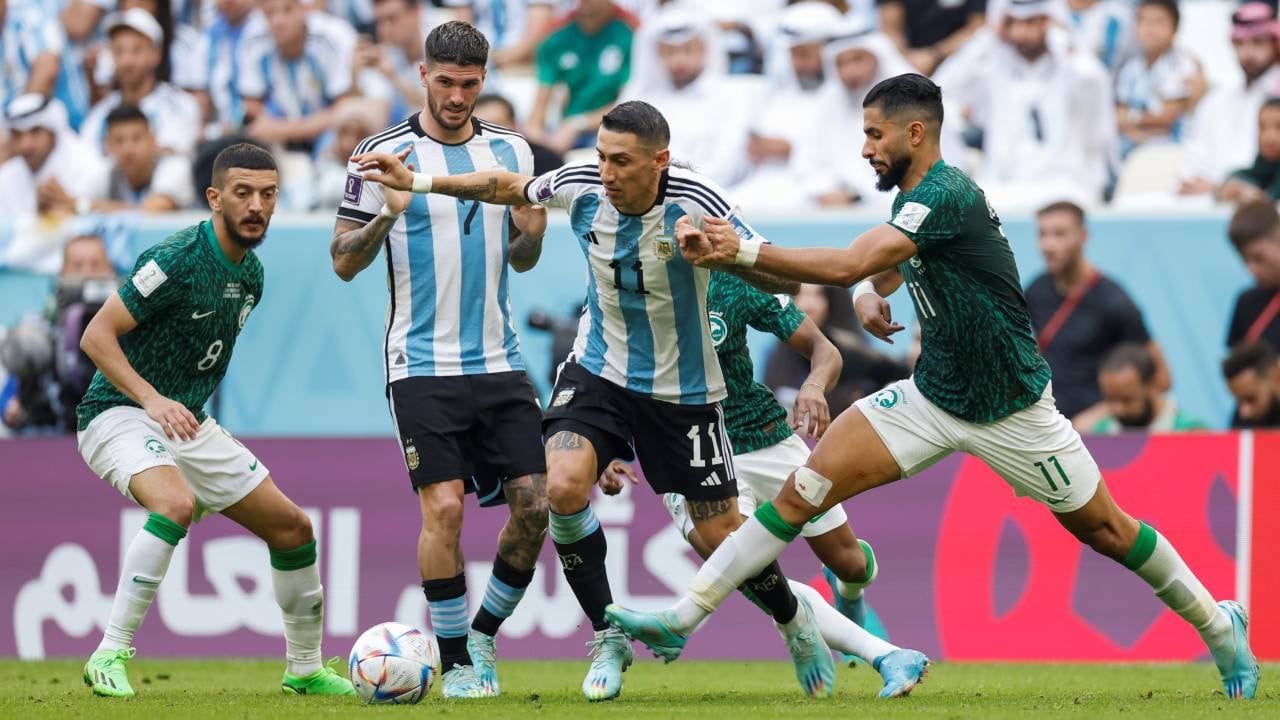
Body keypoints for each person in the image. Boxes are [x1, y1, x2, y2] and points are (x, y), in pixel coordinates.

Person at [604, 73, 1261, 702]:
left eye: (874, 135)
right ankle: (684, 617)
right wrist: (868, 293)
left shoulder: (947, 195)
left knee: (1108, 532)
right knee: (803, 491)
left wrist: (743, 252)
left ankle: (1215, 622)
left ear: (914, 134)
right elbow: (881, 267)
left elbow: (854, 259)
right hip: (931, 398)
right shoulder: (911, 203)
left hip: (1012, 410)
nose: (864, 148)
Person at [349, 100, 919, 701]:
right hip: (601, 373)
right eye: (601, 157)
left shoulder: (700, 200)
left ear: (660, 162)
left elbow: (782, 279)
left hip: (684, 395)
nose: (607, 172)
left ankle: (793, 620)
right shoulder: (580, 183)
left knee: (726, 538)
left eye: (621, 161)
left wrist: (727, 253)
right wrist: (418, 180)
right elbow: (506, 185)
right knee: (562, 486)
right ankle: (608, 635)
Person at [74, 143, 355, 699]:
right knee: (174, 504)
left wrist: (183, 428)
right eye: (244, 193)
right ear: (215, 197)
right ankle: (108, 652)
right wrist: (152, 400)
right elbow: (95, 337)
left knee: (294, 529)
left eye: (268, 195)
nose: (257, 206)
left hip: (187, 423)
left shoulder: (252, 274)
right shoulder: (175, 258)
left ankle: (304, 669)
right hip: (117, 413)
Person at [329, 21, 549, 700]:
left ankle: (481, 634)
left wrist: (532, 231)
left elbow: (522, 257)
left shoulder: (512, 149)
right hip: (419, 363)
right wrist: (388, 216)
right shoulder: (378, 151)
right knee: (445, 510)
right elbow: (342, 261)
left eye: (470, 83)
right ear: (422, 75)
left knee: (535, 506)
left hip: (497, 359)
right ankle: (455, 664)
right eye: (445, 81)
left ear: (485, 80)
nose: (457, 96)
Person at [616, 269, 890, 645]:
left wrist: (813, 386)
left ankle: (849, 589)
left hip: (764, 439)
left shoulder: (732, 283)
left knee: (851, 564)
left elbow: (825, 350)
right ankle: (869, 649)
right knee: (746, 563)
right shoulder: (628, 287)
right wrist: (610, 445)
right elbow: (608, 376)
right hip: (689, 450)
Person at [1024, 200, 1170, 425]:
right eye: (1042, 234)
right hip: (1049, 427)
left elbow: (1161, 379)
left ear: (1083, 236)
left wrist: (1100, 416)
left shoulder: (1114, 301)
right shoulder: (1036, 290)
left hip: (1097, 433)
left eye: (1060, 234)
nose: (1048, 245)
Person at [1179, 2, 1280, 197]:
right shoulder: (1218, 99)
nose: (1248, 53)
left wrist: (1221, 187)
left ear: (1275, 44)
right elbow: (1196, 156)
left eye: (1258, 42)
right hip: (1208, 198)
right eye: (1240, 44)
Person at [79, 8, 202, 158]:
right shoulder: (98, 116)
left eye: (136, 50)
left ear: (156, 54)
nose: (126, 61)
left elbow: (177, 158)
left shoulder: (181, 105)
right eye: (119, 51)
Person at [237, 0, 355, 153]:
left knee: (346, 135)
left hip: (328, 131)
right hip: (282, 130)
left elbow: (345, 108)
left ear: (304, 8)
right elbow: (252, 106)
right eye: (269, 12)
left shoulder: (334, 36)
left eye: (287, 10)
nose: (278, 21)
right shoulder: (252, 38)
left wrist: (284, 130)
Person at [528, 0, 636, 155]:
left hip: (614, 129)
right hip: (566, 134)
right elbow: (539, 109)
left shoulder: (630, 37)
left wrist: (578, 123)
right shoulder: (556, 40)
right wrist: (537, 137)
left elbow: (630, 103)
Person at [1113, 0, 1201, 155]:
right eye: (1144, 21)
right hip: (1129, 146)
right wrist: (1136, 125)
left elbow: (1166, 119)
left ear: (1174, 29)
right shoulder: (1131, 68)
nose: (1150, 29)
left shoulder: (1183, 65)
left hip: (1169, 149)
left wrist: (1131, 118)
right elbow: (1118, 114)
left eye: (1158, 22)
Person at [0, 94, 107, 219]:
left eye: (35, 132)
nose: (26, 145)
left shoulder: (89, 167)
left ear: (53, 134)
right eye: (17, 135)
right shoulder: (6, 175)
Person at [84, 104, 195, 213]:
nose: (128, 149)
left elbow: (152, 211)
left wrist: (95, 206)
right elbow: (77, 204)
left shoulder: (175, 166)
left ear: (152, 141)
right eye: (119, 140)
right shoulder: (106, 173)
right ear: (108, 145)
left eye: (136, 138)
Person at [1091, 343, 1205, 434]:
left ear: (1152, 385)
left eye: (1127, 399)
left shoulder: (1191, 433)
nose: (1118, 409)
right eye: (1110, 399)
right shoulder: (1101, 434)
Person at [1225, 201, 1280, 351]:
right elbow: (1237, 370)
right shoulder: (1247, 303)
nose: (1252, 269)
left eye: (1258, 257)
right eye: (1245, 260)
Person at [877, 0, 985, 75]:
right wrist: (907, 60)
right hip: (907, 60)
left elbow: (978, 26)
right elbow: (890, 28)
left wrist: (935, 54)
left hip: (958, 59)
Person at [474, 94, 563, 176]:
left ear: (514, 125)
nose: (489, 134)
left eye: (496, 126)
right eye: (481, 129)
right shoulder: (468, 164)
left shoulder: (544, 161)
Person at [1219, 98, 1280, 204]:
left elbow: (1270, 199)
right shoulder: (1250, 173)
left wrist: (1258, 198)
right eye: (1262, 127)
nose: (1269, 137)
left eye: (1278, 127)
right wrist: (1230, 191)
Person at [1223, 341, 1280, 428]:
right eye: (1238, 402)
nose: (1244, 412)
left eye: (1250, 399)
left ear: (1276, 376)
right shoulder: (1243, 425)